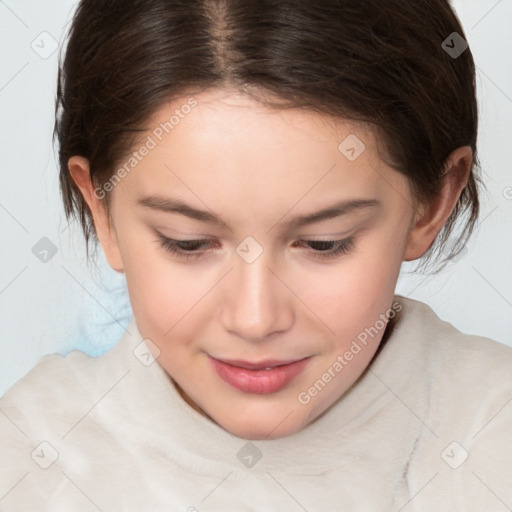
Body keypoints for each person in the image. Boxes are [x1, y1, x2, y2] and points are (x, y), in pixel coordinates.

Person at [1, 0, 511, 510]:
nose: (254, 319)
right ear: (102, 210)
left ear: (431, 203)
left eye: (323, 243)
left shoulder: (494, 438)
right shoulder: (30, 460)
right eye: (188, 242)